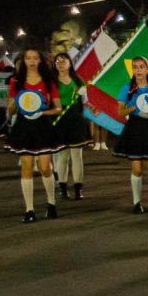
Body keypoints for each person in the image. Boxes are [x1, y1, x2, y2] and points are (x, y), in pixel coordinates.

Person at [8, 48, 63, 221]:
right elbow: (10, 109)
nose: (32, 61)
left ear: (40, 60)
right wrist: (16, 103)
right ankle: (29, 210)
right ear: (23, 61)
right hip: (24, 125)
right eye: (28, 58)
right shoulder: (16, 81)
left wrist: (42, 112)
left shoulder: (48, 81)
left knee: (45, 166)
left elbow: (58, 108)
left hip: (42, 125)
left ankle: (51, 203)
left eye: (35, 58)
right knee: (26, 166)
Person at [114, 56, 148, 214]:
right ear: (132, 69)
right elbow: (120, 112)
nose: (138, 70)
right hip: (134, 127)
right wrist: (134, 108)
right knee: (137, 169)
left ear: (147, 69)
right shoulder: (127, 88)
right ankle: (137, 203)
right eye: (135, 67)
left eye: (141, 67)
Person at [51, 52, 91, 201]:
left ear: (70, 63)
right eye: (57, 61)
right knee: (62, 156)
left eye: (64, 61)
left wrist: (89, 104)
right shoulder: (52, 82)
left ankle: (78, 188)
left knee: (77, 156)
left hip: (75, 119)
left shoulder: (78, 81)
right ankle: (62, 188)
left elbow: (85, 102)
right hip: (59, 119)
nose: (60, 64)